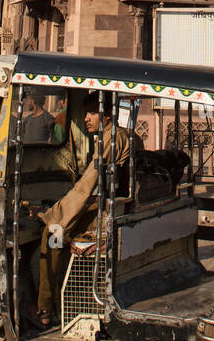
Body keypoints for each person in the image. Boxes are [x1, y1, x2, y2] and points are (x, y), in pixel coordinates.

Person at [30, 92, 139, 327]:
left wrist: (55, 215)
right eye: (86, 113)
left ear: (107, 115)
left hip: (110, 213)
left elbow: (87, 185)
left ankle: (46, 306)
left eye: (92, 113)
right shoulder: (122, 136)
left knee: (53, 234)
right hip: (115, 207)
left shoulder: (111, 140)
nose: (87, 118)